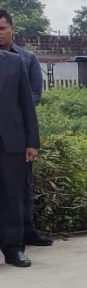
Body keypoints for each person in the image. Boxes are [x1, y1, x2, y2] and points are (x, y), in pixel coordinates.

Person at [0, 9, 51, 247]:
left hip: (14, 134)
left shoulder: (24, 59)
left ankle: (24, 234)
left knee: (20, 188)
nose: (0, 34)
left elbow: (32, 97)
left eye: (2, 28)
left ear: (12, 29)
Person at [0, 49, 39, 267]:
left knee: (12, 196)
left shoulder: (14, 62)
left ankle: (13, 248)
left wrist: (32, 142)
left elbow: (26, 104)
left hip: (11, 140)